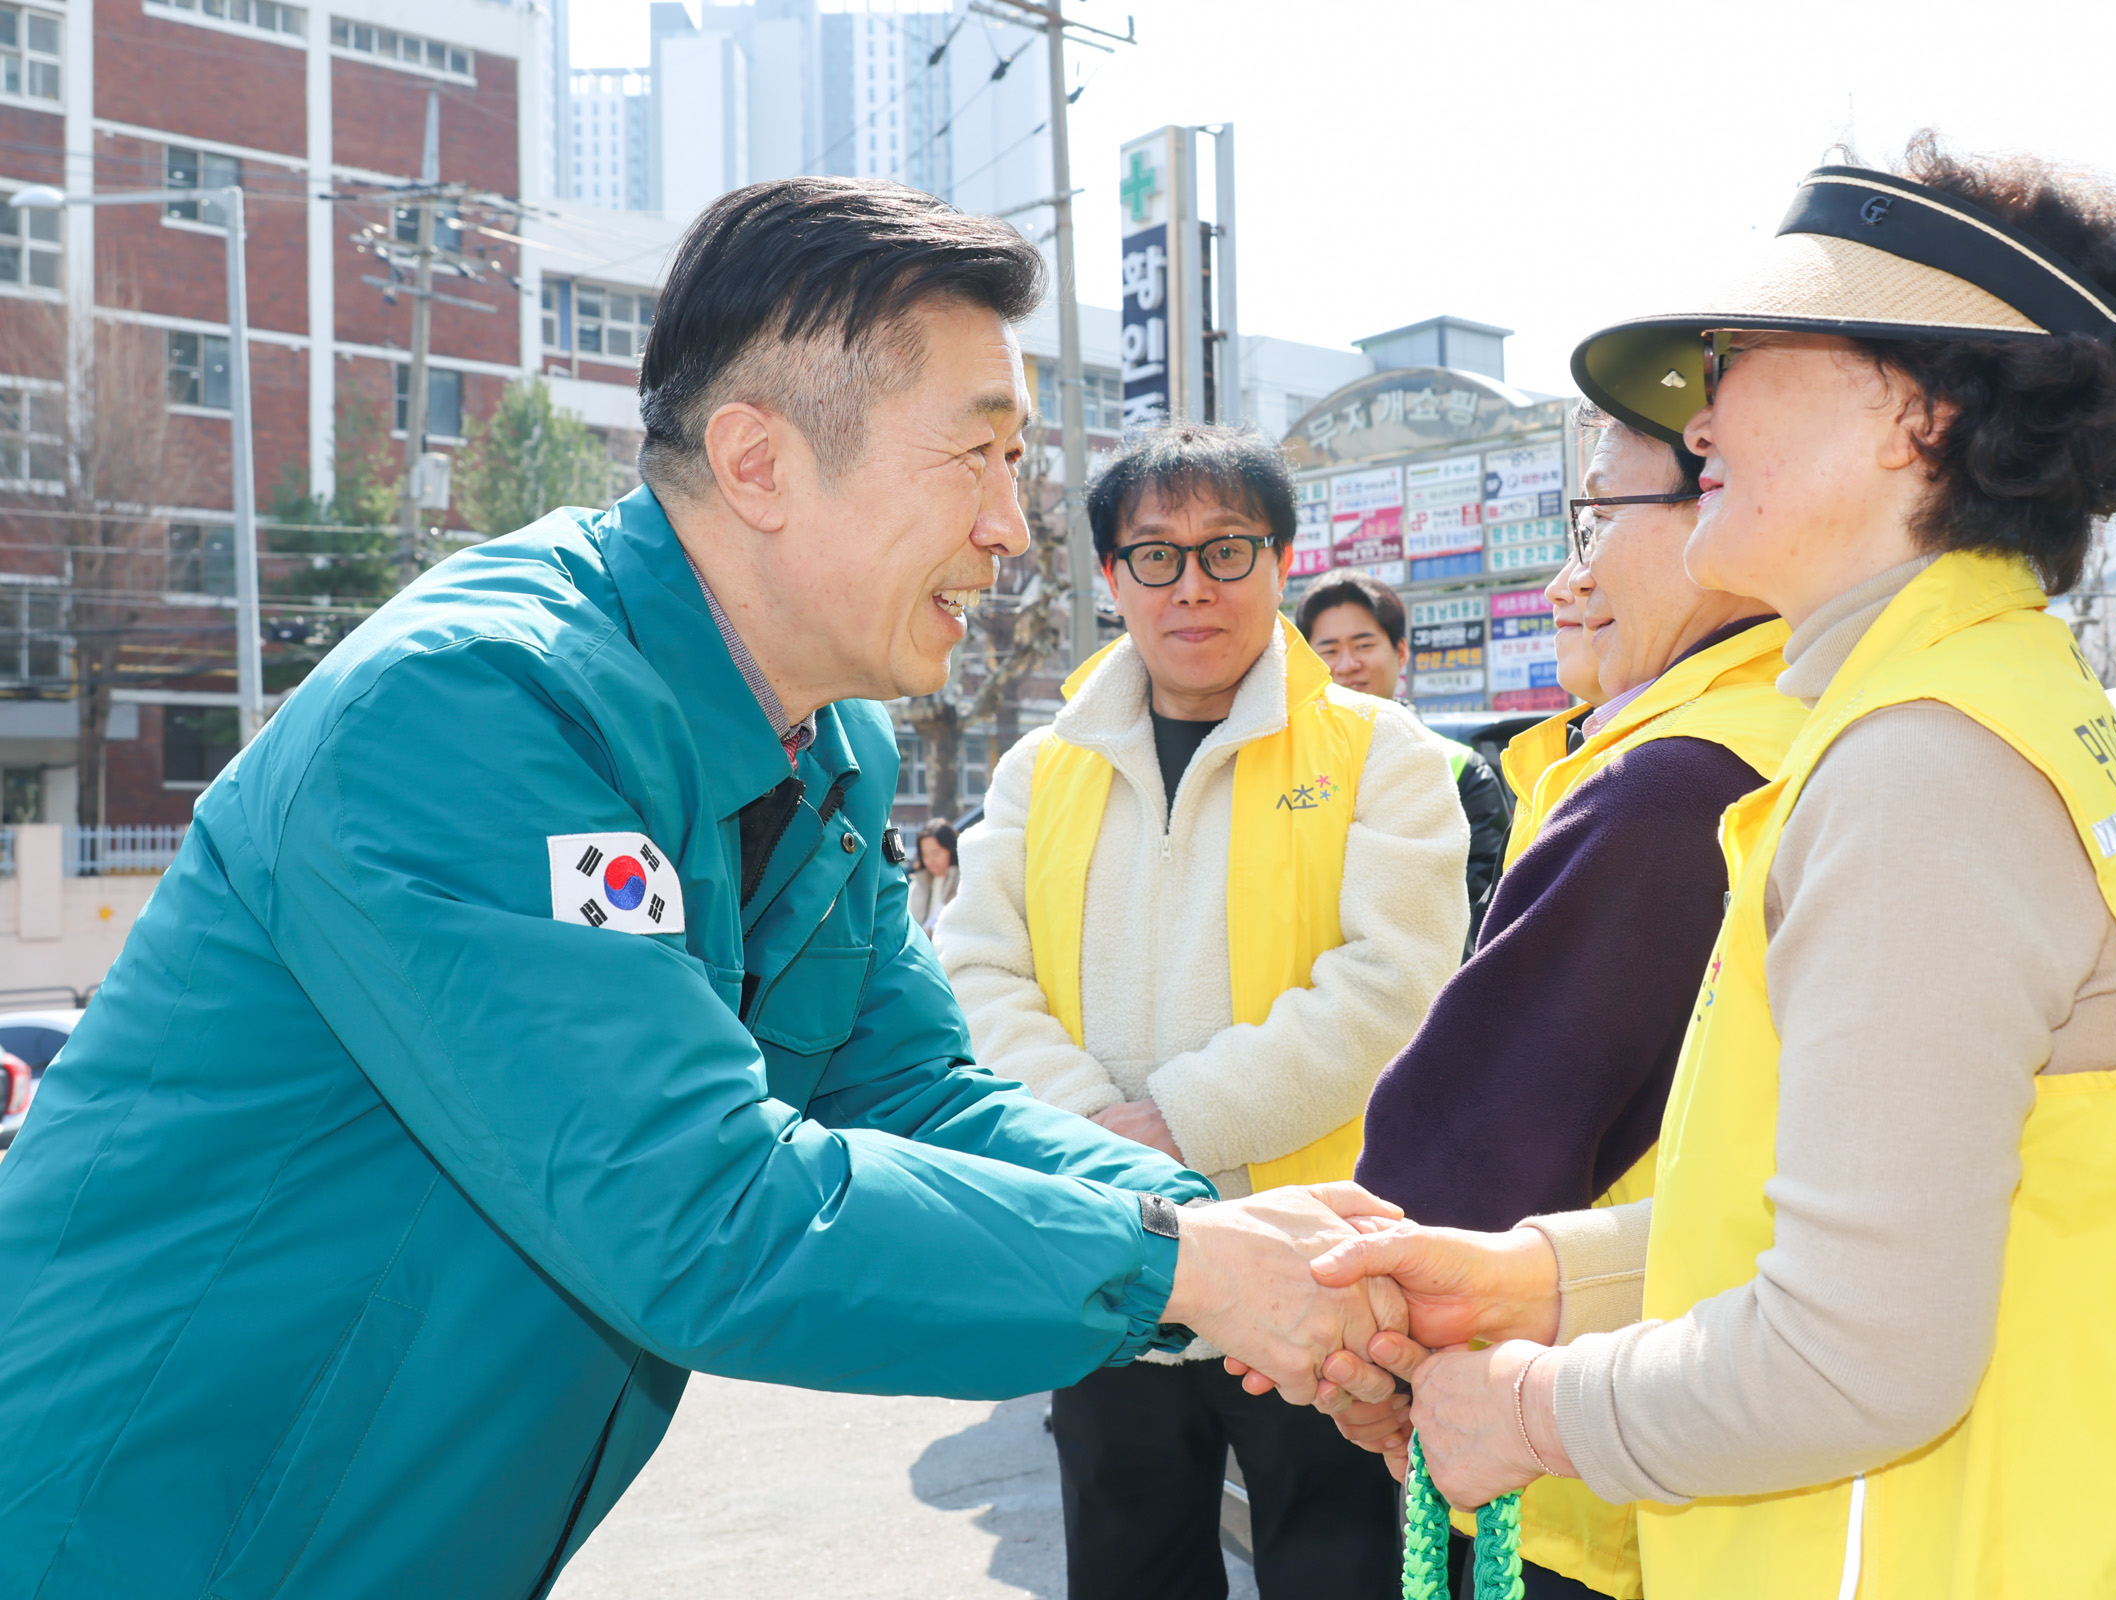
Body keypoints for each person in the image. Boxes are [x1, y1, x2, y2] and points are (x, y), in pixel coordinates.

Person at [0, 178, 1406, 1600]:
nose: (1013, 532)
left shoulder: (826, 747)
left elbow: (914, 1093)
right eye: (978, 458)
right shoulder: (472, 712)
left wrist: (1223, 1233)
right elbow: (697, 1210)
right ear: (758, 461)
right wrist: (1186, 1273)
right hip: (138, 1532)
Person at [1315, 139, 2116, 1598]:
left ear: (1923, 409)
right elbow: (1854, 1216)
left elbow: (1855, 1353)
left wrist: (1531, 1411)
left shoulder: (1922, 763)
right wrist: (1540, 1277)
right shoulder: (1976, 705)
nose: (1701, 408)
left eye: (1743, 353)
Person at [939, 423, 1469, 1600]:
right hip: (1109, 1259)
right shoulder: (1040, 769)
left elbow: (1393, 987)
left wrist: (1175, 1121)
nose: (1193, 585)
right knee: (1127, 1566)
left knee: (1338, 1569)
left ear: (1280, 562)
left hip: (1320, 1273)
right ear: (1112, 578)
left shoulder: (1382, 754)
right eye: (1156, 555)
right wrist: (1095, 1140)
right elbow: (975, 974)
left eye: (1227, 550)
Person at [1339, 406, 1797, 1598]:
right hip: (1686, 1428)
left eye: (1597, 517)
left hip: (1585, 1464)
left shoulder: (1673, 785)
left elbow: (1466, 1148)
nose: (1569, 575)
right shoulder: (1807, 730)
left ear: (1720, 509)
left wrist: (1362, 1349)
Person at [1299, 570, 1510, 946]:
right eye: (1328, 650)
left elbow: (1483, 913)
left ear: (1400, 652)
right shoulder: (1288, 768)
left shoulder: (1460, 769)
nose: (1347, 664)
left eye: (1364, 645)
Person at [908, 816, 959, 935]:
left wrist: (930, 932)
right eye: (925, 855)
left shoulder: (963, 882)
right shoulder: (918, 882)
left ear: (950, 849)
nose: (931, 860)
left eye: (935, 853)